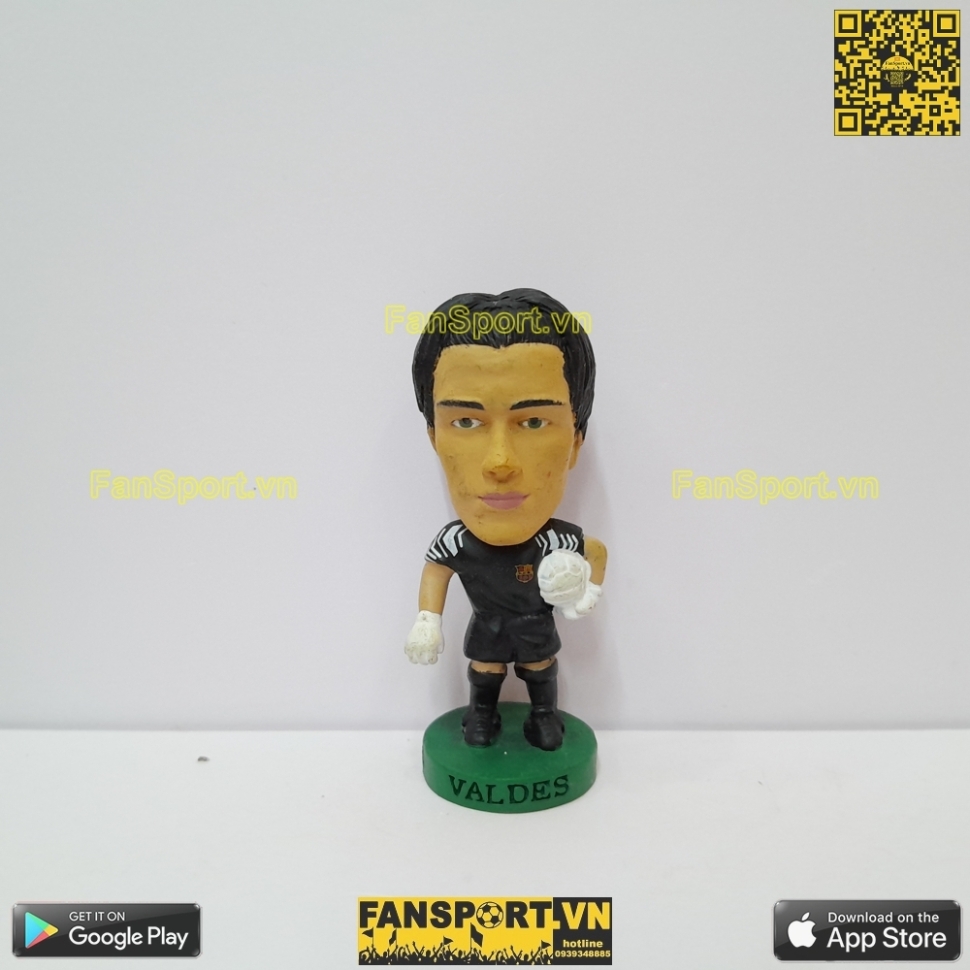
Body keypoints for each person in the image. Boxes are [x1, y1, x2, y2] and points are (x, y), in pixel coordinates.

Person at [404, 288, 607, 751]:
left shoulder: (556, 541)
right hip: (488, 627)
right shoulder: (457, 543)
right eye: (466, 422)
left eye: (534, 422)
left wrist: (588, 591)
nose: (499, 462)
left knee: (540, 668)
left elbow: (595, 551)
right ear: (434, 437)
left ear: (576, 440)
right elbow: (436, 570)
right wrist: (426, 620)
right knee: (485, 669)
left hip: (535, 625)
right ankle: (481, 713)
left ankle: (543, 715)